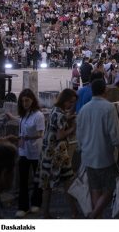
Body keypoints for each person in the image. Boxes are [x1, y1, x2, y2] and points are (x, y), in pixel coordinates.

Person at [76, 79, 119, 218]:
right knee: (111, 187)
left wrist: (82, 150)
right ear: (105, 90)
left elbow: (79, 135)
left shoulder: (83, 109)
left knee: (95, 188)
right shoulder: (109, 108)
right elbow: (116, 135)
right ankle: (94, 215)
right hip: (104, 156)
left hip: (88, 156)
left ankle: (96, 218)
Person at [38, 89, 78, 218]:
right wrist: (72, 128)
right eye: (70, 102)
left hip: (47, 151)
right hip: (58, 153)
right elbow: (60, 135)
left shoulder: (55, 110)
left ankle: (45, 213)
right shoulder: (60, 114)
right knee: (68, 182)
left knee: (47, 185)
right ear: (65, 100)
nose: (71, 105)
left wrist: (67, 118)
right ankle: (74, 213)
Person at [9, 89, 45, 218]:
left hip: (35, 151)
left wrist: (26, 138)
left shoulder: (38, 115)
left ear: (32, 100)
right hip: (23, 151)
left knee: (37, 179)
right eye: (23, 101)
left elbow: (41, 134)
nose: (25, 103)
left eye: (27, 100)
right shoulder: (25, 115)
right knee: (23, 180)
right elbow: (21, 123)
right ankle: (22, 206)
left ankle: (36, 202)